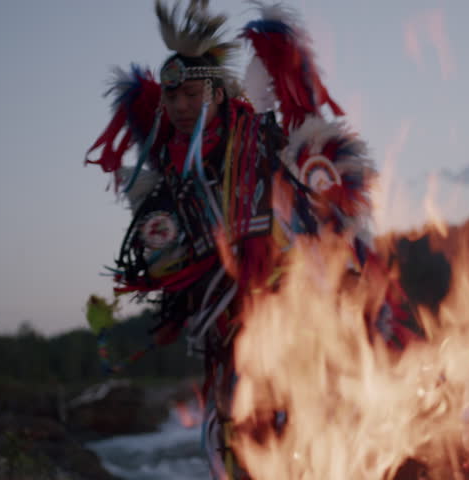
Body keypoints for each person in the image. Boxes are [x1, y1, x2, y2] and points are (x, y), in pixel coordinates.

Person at [84, 1, 418, 477]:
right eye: (172, 98)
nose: (180, 106)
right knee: (245, 441)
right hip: (232, 338)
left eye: (192, 94)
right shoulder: (171, 177)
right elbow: (169, 264)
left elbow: (322, 194)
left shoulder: (263, 141)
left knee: (323, 429)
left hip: (301, 314)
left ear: (218, 93)